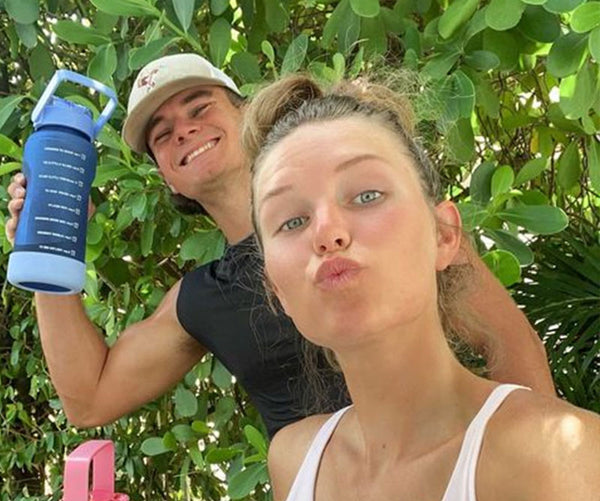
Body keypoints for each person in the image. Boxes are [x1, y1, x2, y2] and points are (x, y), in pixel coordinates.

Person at [139, 74, 600, 501]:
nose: (327, 231)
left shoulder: (553, 458)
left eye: (366, 194)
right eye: (291, 221)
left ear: (445, 235)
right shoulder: (295, 457)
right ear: (276, 289)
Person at [5, 53, 554, 441]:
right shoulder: (202, 298)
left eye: (200, 108)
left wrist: (517, 477)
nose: (184, 131)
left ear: (247, 118)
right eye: (162, 134)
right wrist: (51, 247)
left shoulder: (384, 215)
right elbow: (88, 398)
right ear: (167, 179)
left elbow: (510, 344)